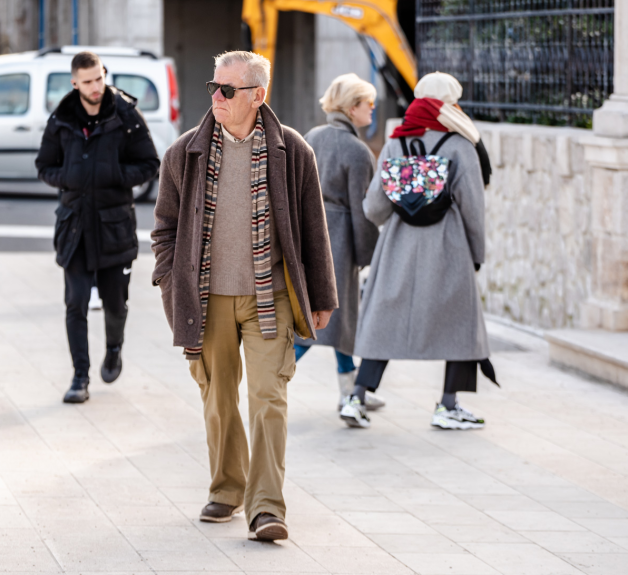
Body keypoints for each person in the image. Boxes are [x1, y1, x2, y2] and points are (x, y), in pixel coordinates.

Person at [151, 51, 337, 543]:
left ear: (258, 96)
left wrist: (321, 294)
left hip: (268, 298)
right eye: (213, 87)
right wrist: (172, 284)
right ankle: (226, 490)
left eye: (228, 90)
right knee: (218, 399)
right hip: (206, 299)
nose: (216, 97)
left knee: (268, 398)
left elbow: (313, 231)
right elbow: (164, 230)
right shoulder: (184, 153)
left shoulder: (293, 151)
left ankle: (266, 508)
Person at [340, 71, 496, 430]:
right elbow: (473, 206)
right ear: (449, 103)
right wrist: (476, 252)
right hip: (448, 245)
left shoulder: (397, 143)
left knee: (384, 318)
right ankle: (448, 405)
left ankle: (357, 397)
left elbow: (375, 207)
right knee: (462, 323)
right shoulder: (460, 144)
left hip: (399, 244)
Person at [35, 51, 159, 404]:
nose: (95, 87)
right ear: (75, 83)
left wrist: (116, 176)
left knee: (115, 303)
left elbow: (150, 163)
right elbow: (44, 165)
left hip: (114, 226)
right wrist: (69, 179)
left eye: (99, 78)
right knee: (74, 304)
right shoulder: (62, 117)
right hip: (74, 226)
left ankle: (114, 348)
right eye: (87, 81)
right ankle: (79, 378)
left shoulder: (125, 115)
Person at [300, 74, 384, 412]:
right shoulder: (357, 151)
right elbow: (361, 210)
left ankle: (350, 389)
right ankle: (271, 379)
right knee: (324, 319)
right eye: (368, 104)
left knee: (338, 316)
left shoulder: (310, 137)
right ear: (352, 108)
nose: (372, 110)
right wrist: (368, 253)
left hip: (307, 232)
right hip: (338, 240)